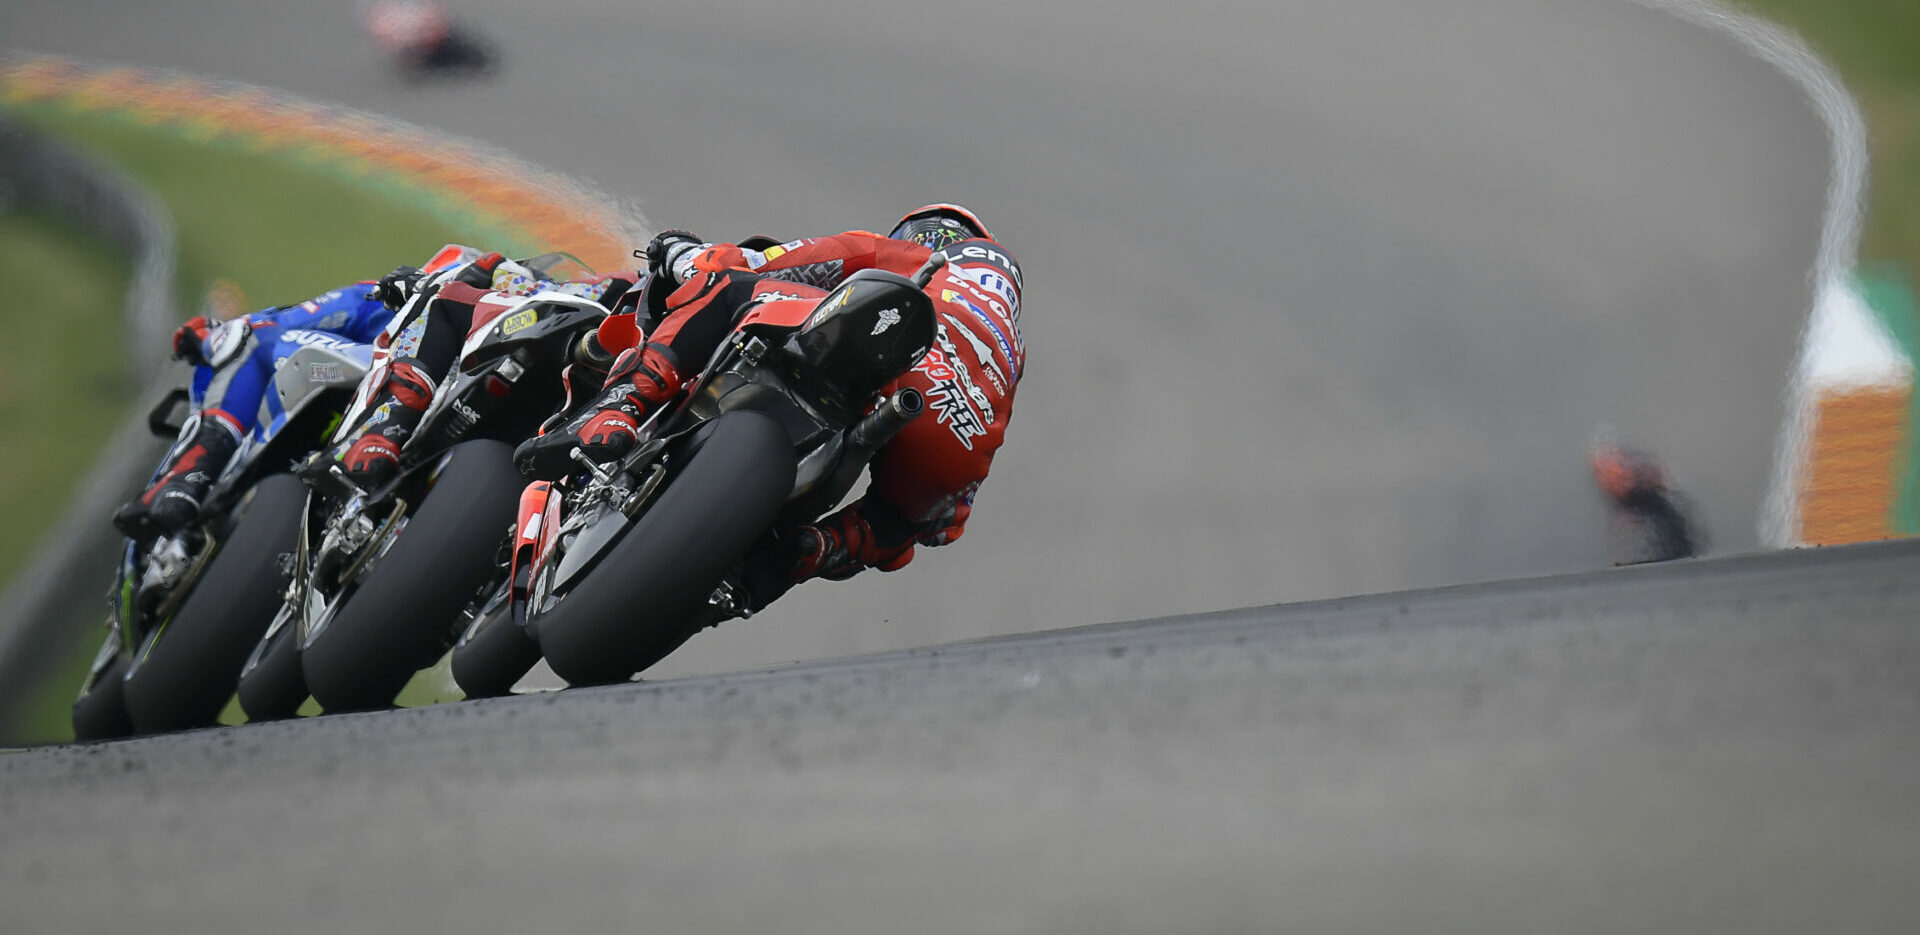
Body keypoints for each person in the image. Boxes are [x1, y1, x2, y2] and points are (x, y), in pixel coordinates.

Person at [516, 203, 1026, 593]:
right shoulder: (1007, 355)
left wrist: (683, 253)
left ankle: (620, 407)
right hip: (949, 433)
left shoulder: (919, 259)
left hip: (880, 370)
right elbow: (944, 521)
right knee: (894, 523)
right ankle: (808, 553)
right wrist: (864, 540)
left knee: (730, 287)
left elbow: (777, 263)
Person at [309, 247, 637, 490]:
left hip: (587, 363)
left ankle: (379, 430)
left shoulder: (511, 273)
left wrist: (422, 283)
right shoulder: (618, 286)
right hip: (591, 364)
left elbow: (486, 270)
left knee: (442, 296)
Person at [111, 278, 405, 537]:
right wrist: (218, 337)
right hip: (357, 365)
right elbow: (287, 323)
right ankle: (187, 476)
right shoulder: (397, 296)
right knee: (251, 336)